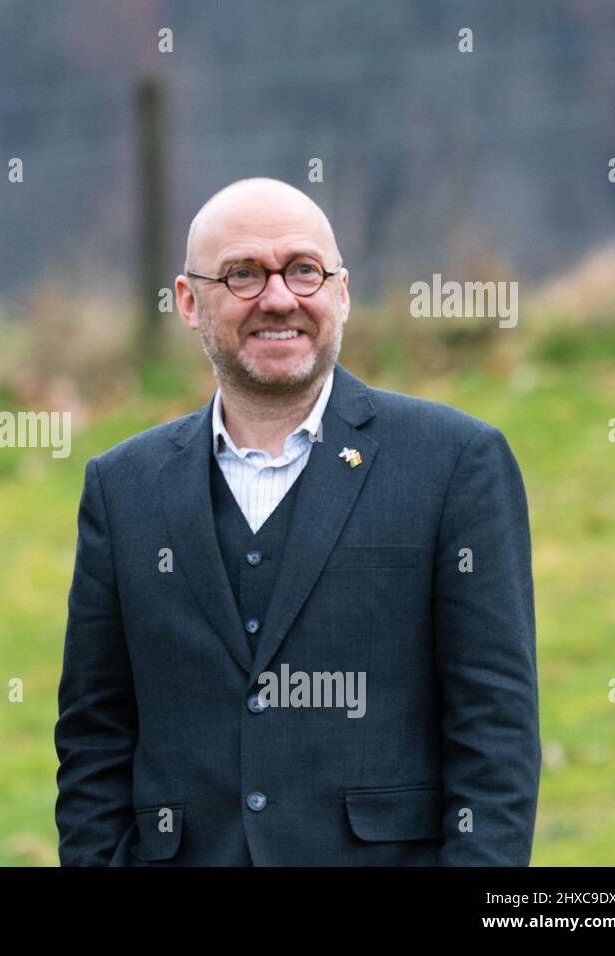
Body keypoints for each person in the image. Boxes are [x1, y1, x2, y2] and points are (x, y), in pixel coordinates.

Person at [54, 177, 540, 865]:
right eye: (243, 274)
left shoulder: (457, 463)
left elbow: (496, 734)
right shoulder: (121, 488)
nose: (279, 297)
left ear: (341, 290)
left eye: (303, 270)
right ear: (190, 302)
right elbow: (94, 738)